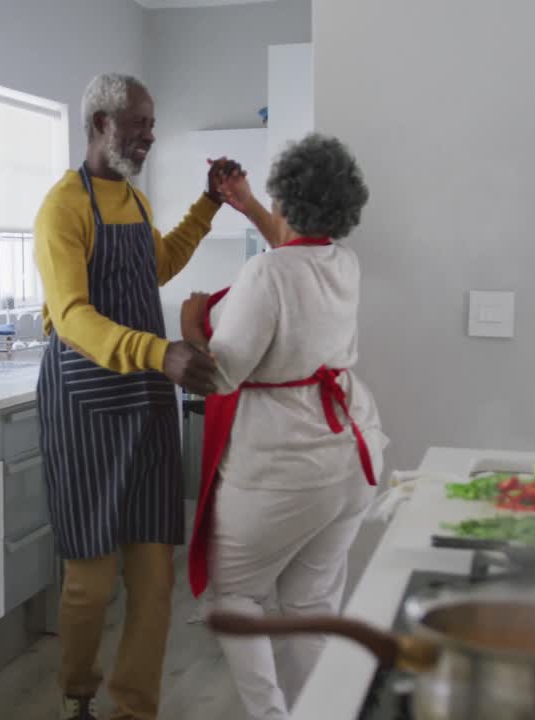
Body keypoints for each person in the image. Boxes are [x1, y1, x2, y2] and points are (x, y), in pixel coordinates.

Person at [34, 72, 240, 720]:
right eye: (138, 125)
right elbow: (71, 316)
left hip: (147, 405)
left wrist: (208, 205)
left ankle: (134, 709)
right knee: (90, 584)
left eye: (150, 125)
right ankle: (79, 695)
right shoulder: (62, 208)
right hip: (87, 405)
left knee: (153, 581)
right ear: (100, 123)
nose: (149, 137)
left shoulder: (136, 201)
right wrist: (160, 352)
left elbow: (157, 266)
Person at [180, 133, 387, 720]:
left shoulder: (266, 275)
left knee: (234, 594)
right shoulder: (341, 261)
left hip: (282, 464)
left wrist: (192, 323)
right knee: (310, 606)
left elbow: (219, 375)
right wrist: (245, 202)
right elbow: (295, 249)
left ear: (287, 199)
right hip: (350, 454)